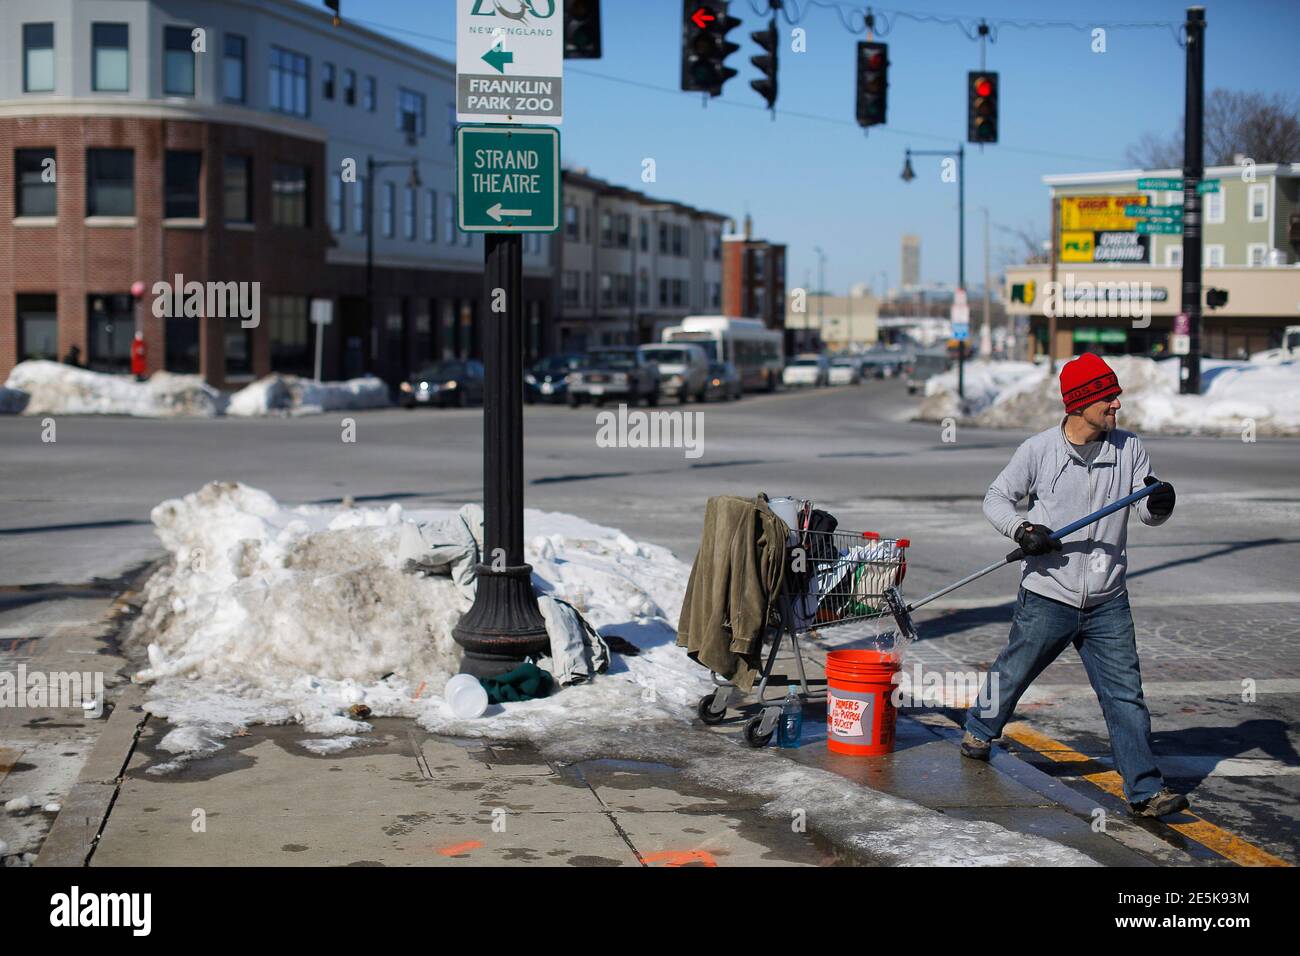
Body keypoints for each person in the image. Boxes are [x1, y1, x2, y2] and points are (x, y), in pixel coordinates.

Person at [961, 352, 1186, 819]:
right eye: (1107, 396)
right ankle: (979, 730)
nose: (1116, 405)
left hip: (1107, 599)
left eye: (1116, 396)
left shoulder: (1128, 449)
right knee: (1013, 672)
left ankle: (1145, 791)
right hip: (1049, 592)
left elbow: (1145, 510)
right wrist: (1023, 531)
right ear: (1080, 401)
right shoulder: (1039, 450)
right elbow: (996, 498)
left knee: (1125, 695)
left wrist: (1160, 502)